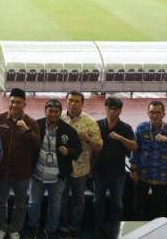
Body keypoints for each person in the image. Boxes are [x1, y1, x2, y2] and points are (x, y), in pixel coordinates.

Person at [27, 99, 82, 239]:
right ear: (45, 111)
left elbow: (77, 150)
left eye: (56, 112)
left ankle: (51, 230)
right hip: (37, 175)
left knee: (55, 206)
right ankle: (33, 227)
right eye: (50, 111)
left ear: (60, 112)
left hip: (58, 177)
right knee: (33, 204)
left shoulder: (68, 130)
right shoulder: (36, 125)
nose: (53, 114)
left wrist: (68, 151)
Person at [0, 88, 41, 239]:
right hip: (2, 171)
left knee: (20, 204)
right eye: (12, 101)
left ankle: (14, 229)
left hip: (22, 174)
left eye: (18, 102)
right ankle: (2, 227)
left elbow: (37, 146)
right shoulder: (0, 119)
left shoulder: (31, 123)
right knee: (1, 202)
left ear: (24, 104)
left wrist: (27, 131)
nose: (14, 105)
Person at [92, 97, 136, 239]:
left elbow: (134, 146)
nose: (112, 111)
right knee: (98, 201)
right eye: (109, 108)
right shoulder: (97, 125)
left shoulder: (126, 128)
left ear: (120, 110)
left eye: (115, 109)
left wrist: (120, 138)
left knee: (117, 204)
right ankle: (98, 227)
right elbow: (90, 147)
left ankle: (114, 228)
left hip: (117, 173)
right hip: (99, 171)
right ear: (105, 108)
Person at [59, 91, 102, 239]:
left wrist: (87, 139)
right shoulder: (59, 118)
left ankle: (74, 227)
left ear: (82, 103)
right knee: (61, 200)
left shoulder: (90, 122)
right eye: (70, 100)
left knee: (78, 201)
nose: (73, 104)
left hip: (80, 169)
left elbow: (99, 146)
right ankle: (63, 227)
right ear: (66, 101)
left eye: (77, 101)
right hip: (61, 169)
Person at [129, 101, 167, 221]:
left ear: (163, 114)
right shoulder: (141, 128)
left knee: (158, 208)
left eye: (158, 112)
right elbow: (135, 149)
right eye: (152, 112)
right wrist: (133, 169)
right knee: (139, 205)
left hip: (162, 176)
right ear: (147, 113)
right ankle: (139, 228)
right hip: (143, 174)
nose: (154, 115)